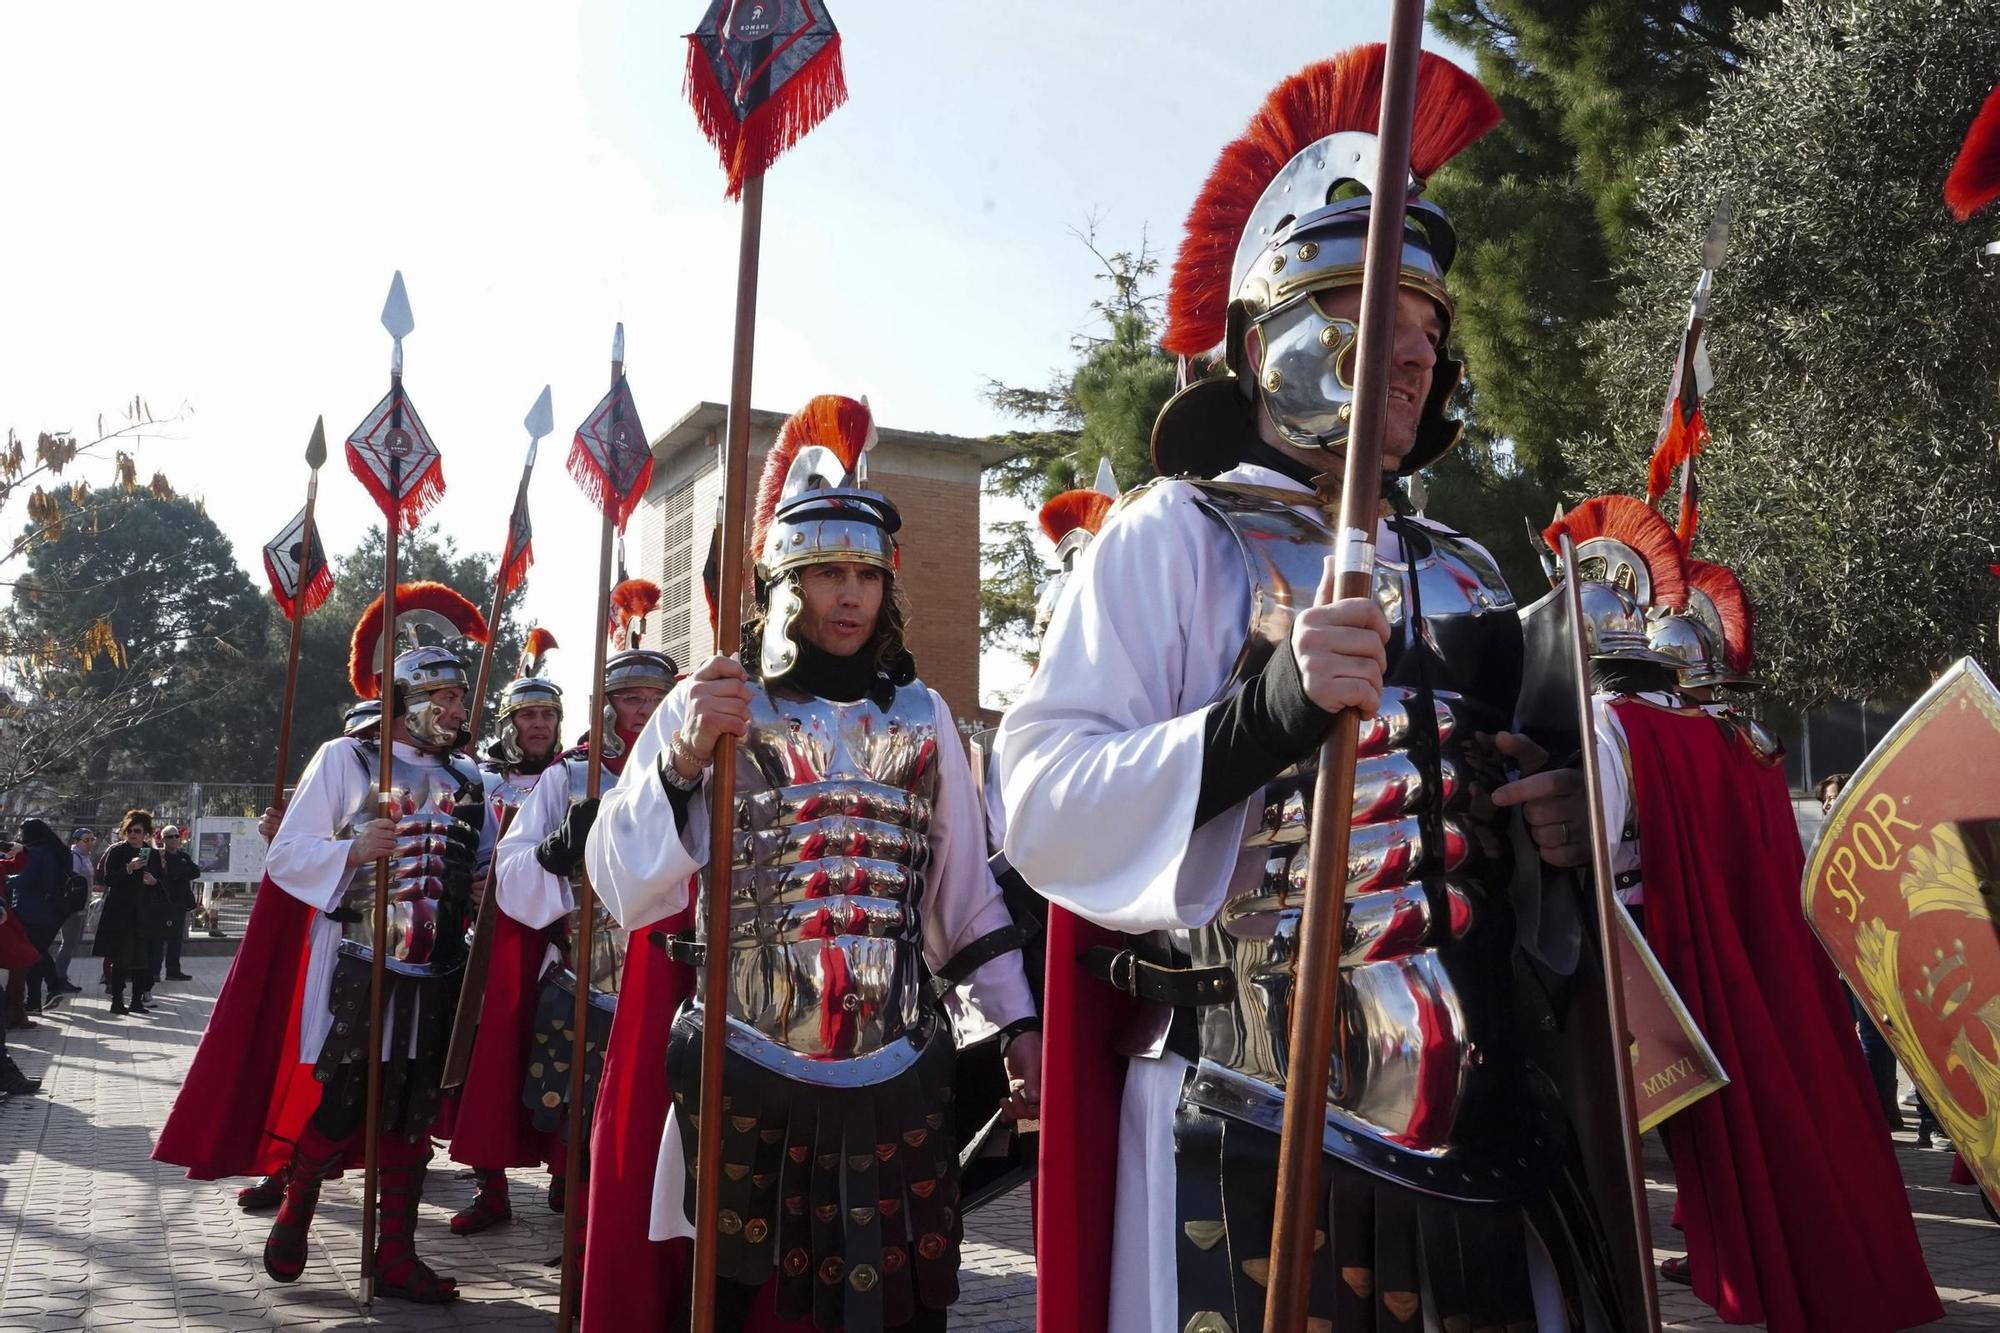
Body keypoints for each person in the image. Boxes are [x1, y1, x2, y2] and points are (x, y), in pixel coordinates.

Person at [995, 46, 1633, 1332]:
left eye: (1424, 323)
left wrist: (1576, 808)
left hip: (1491, 1127)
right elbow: (1042, 799)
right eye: (1363, 313)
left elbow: (1539, 834)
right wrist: (1266, 712)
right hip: (1254, 1100)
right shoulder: (1172, 536)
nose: (1405, 352)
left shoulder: (1464, 571)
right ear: (1260, 341)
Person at [587, 394, 1041, 1333]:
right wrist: (677, 762)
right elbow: (623, 882)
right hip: (749, 1056)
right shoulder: (713, 703)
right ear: (782, 584)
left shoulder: (926, 719)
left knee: (900, 1301)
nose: (848, 595)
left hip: (901, 1059)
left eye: (865, 576)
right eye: (826, 572)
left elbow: (963, 901)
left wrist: (1018, 1024)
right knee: (738, 1301)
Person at [1591, 525, 1941, 1332]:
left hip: (1661, 945)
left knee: (1654, 1139)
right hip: (1749, 947)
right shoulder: (1741, 735)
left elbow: (1602, 847)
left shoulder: (1619, 726)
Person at [153, 582, 491, 1304]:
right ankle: (298, 1204)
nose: (462, 711)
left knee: (412, 1108)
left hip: (437, 965)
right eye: (450, 698)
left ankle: (395, 1253)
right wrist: (351, 848)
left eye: (464, 698)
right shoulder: (349, 760)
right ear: (411, 697)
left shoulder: (469, 778)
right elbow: (287, 853)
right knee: (345, 1096)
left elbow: (483, 861)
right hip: (363, 956)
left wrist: (488, 877)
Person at [446, 626, 574, 1234]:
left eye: (549, 714)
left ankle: (563, 1176)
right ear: (509, 723)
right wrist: (469, 880)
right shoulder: (482, 782)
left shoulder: (578, 778)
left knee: (561, 1047)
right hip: (489, 932)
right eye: (529, 715)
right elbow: (458, 850)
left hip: (560, 932)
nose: (541, 725)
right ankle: (491, 1185)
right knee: (489, 1054)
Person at [95, 810, 166, 1016]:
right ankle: (117, 1001)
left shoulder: (151, 854)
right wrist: (128, 868)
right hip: (121, 913)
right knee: (121, 958)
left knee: (142, 960)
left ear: (146, 834)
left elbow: (162, 884)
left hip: (144, 914)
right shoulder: (117, 851)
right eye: (129, 830)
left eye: (137, 831)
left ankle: (136, 1001)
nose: (133, 834)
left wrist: (153, 881)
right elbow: (108, 879)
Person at [7, 819, 76, 1016]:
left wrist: (5, 875)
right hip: (52, 910)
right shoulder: (55, 849)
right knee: (38, 952)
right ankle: (45, 994)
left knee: (34, 954)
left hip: (32, 910)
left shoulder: (36, 852)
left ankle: (42, 995)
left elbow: (24, 881)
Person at [152, 826, 199, 982]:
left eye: (176, 836)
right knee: (159, 939)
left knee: (176, 939)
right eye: (169, 837)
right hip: (163, 904)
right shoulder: (159, 856)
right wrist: (179, 873)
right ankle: (154, 972)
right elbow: (167, 875)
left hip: (180, 904)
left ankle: (173, 971)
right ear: (163, 839)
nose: (173, 839)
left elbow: (195, 872)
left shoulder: (183, 856)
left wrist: (179, 872)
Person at [56, 828, 95, 993]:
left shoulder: (85, 857)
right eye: (87, 840)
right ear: (76, 841)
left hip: (82, 907)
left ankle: (60, 974)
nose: (91, 843)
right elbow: (73, 882)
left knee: (73, 943)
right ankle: (59, 978)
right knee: (69, 943)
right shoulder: (75, 857)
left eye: (92, 839)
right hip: (73, 909)